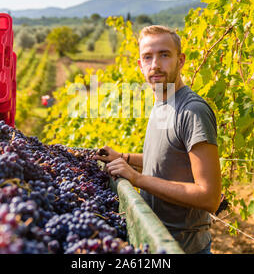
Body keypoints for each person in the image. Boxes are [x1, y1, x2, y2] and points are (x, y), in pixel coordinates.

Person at [93, 25, 221, 254]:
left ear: (180, 60)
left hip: (183, 248)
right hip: (155, 240)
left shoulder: (193, 111)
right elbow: (167, 159)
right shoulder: (161, 103)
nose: (155, 65)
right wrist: (123, 157)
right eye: (148, 57)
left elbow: (209, 197)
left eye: (164, 55)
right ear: (140, 65)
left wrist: (136, 178)